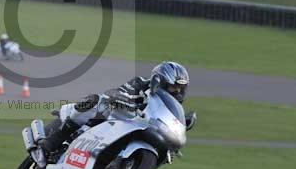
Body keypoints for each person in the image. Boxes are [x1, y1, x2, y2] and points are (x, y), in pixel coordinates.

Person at [39, 61, 197, 153]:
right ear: (158, 81)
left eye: (180, 89)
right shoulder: (141, 83)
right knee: (96, 100)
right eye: (173, 87)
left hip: (140, 130)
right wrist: (123, 98)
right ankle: (57, 137)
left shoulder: (169, 106)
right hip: (116, 117)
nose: (177, 92)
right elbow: (117, 92)